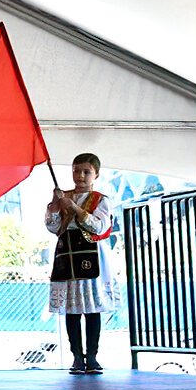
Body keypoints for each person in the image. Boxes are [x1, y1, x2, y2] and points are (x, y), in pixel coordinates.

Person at [45, 152, 116, 375]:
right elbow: (53, 228)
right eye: (77, 170)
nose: (80, 175)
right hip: (67, 255)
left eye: (86, 171)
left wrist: (74, 207)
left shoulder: (100, 199)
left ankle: (92, 357)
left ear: (96, 174)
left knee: (92, 308)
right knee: (71, 309)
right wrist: (55, 207)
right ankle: (76, 356)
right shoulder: (63, 196)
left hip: (91, 255)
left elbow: (99, 226)